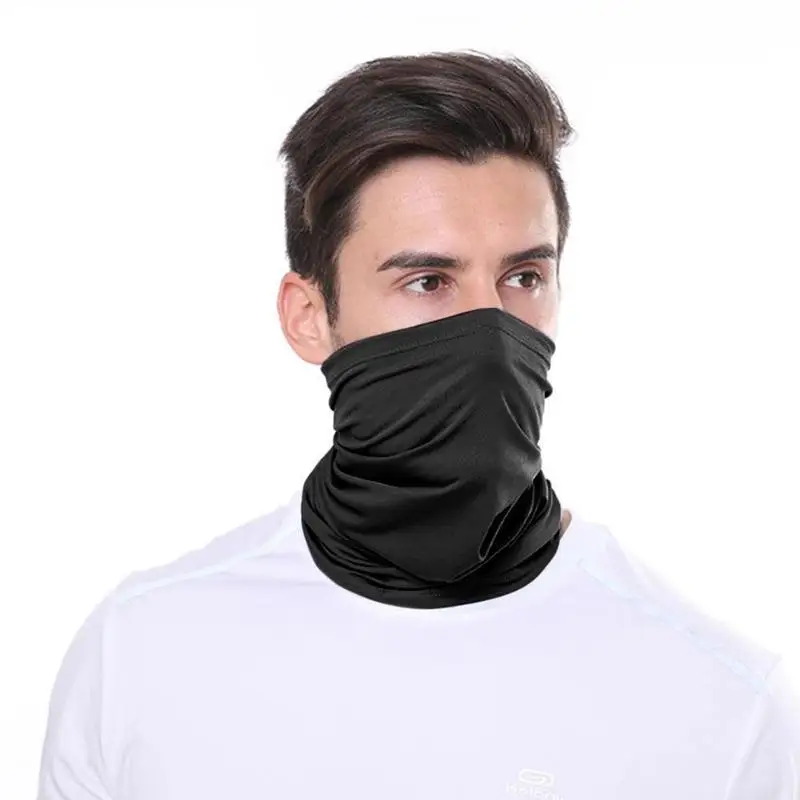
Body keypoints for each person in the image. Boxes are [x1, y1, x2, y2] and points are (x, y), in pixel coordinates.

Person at [38, 49, 800, 800]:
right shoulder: (141, 654)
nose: (490, 328)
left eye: (523, 277)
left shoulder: (721, 702)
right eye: (428, 281)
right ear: (309, 316)